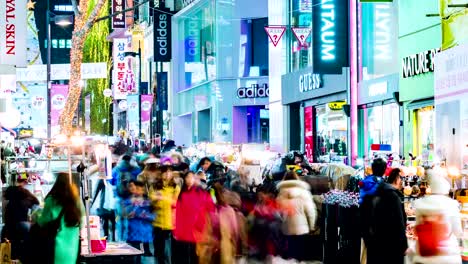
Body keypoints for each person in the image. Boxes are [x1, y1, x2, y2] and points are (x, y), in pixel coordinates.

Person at [360, 158, 408, 264]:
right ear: (385, 170)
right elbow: (399, 221)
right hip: (391, 245)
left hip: (373, 243)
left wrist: (367, 239)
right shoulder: (391, 193)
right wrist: (404, 244)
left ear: (372, 169)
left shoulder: (366, 190)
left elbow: (362, 217)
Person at [412, 169, 463, 264]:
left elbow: (416, 229)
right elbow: (457, 231)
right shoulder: (451, 205)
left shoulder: (421, 204)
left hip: (424, 255)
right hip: (447, 257)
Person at [36, 172, 83, 264]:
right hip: (72, 249)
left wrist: (36, 215)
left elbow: (42, 221)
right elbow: (81, 223)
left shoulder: (51, 200)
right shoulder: (77, 201)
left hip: (55, 248)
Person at [173, 171, 214, 264]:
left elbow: (210, 208)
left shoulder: (201, 193)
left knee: (195, 255)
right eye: (187, 177)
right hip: (184, 230)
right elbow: (178, 213)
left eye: (192, 177)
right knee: (184, 255)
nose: (189, 179)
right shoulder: (181, 194)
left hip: (198, 230)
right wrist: (176, 230)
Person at [276, 170, 317, 261]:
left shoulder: (280, 195)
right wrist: (311, 226)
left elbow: (278, 214)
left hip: (286, 230)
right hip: (302, 230)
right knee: (300, 256)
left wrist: (280, 227)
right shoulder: (304, 193)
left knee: (289, 257)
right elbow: (311, 211)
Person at [2, 175, 39, 261]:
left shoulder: (11, 201)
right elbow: (37, 208)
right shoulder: (26, 198)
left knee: (10, 253)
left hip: (9, 228)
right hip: (22, 226)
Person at [150, 165, 181, 264]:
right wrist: (155, 199)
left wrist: (163, 198)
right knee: (158, 250)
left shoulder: (175, 187)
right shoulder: (154, 186)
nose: (167, 174)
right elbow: (150, 201)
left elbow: (176, 203)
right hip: (157, 223)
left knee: (167, 251)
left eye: (169, 172)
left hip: (169, 223)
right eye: (165, 172)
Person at [124, 180, 155, 260]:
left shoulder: (148, 203)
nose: (136, 190)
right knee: (134, 258)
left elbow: (153, 216)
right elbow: (123, 214)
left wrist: (144, 215)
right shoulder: (128, 202)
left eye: (139, 189)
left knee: (145, 258)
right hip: (133, 235)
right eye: (135, 188)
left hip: (145, 236)